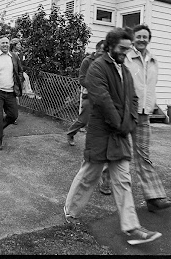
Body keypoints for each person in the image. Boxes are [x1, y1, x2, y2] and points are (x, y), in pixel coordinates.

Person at [63, 28, 162, 245]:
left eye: (128, 49)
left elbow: (133, 98)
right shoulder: (97, 67)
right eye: (121, 49)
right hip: (101, 134)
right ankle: (70, 212)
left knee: (123, 181)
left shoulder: (124, 69)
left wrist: (131, 121)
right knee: (88, 176)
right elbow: (103, 100)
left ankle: (132, 228)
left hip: (119, 134)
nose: (125, 53)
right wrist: (121, 124)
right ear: (110, 46)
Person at [125, 24, 171, 212]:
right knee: (117, 152)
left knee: (143, 156)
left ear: (149, 39)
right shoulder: (127, 58)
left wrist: (154, 108)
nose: (142, 39)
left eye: (145, 36)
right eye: (139, 36)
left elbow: (150, 88)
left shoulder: (153, 61)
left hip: (144, 115)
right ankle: (104, 179)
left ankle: (153, 198)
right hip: (126, 113)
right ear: (133, 38)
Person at [66, 40, 105, 146]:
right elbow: (82, 80)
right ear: (97, 50)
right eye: (102, 51)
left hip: (102, 96)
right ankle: (70, 133)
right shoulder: (87, 61)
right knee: (83, 120)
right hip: (89, 94)